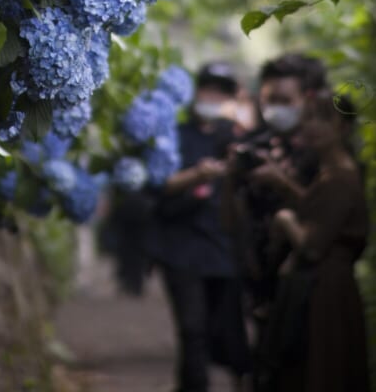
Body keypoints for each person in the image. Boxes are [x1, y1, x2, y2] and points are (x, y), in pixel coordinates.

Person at [148, 61, 252, 392]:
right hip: (182, 248)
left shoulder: (235, 138)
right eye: (208, 90)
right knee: (192, 330)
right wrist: (196, 176)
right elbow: (156, 186)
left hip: (223, 252)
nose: (212, 98)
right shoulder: (173, 136)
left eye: (221, 93)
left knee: (226, 332)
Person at [257, 88, 370, 392]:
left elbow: (312, 245)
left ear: (342, 127)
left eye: (323, 118)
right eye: (307, 118)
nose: (311, 125)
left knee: (321, 372)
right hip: (321, 289)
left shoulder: (340, 178)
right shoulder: (331, 172)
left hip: (326, 295)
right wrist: (285, 185)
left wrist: (285, 219)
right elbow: (318, 209)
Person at [224, 53, 326, 337]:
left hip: (309, 276)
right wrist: (230, 181)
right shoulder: (251, 148)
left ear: (309, 98)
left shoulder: (325, 153)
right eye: (270, 100)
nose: (276, 109)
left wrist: (282, 182)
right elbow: (231, 221)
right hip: (258, 276)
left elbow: (329, 213)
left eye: (286, 101)